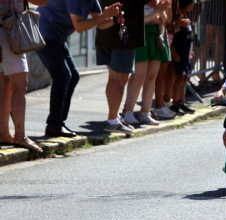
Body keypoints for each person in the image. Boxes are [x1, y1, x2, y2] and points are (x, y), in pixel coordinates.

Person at [36, 0, 121, 137]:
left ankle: (58, 123)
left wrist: (116, 18)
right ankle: (54, 124)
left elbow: (101, 24)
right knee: (62, 76)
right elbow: (79, 26)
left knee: (73, 75)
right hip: (44, 32)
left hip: (57, 36)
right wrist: (104, 15)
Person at [96, 0, 159, 134]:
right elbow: (153, 3)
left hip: (106, 32)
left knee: (113, 78)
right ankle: (112, 120)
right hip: (123, 33)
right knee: (118, 80)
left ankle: (114, 117)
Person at [0, 0, 48, 152]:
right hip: (10, 30)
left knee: (5, 86)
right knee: (20, 86)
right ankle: (20, 135)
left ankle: (3, 133)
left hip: (4, 29)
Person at [122, 0, 171, 126]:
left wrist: (160, 11)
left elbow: (164, 19)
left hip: (155, 36)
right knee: (138, 76)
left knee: (151, 77)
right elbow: (137, 20)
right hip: (140, 35)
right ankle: (128, 112)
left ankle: (145, 113)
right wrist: (154, 13)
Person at [168, 0, 195, 115]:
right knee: (179, 77)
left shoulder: (186, 17)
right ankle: (175, 103)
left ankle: (181, 101)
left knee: (184, 77)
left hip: (186, 53)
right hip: (180, 53)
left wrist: (191, 50)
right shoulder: (177, 18)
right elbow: (171, 36)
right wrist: (174, 52)